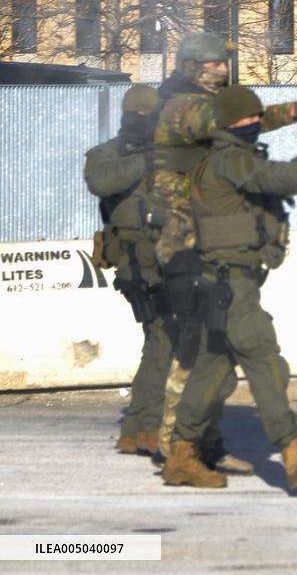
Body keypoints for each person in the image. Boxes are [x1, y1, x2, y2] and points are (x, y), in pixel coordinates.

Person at [160, 86, 297, 489]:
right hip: (230, 285)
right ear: (229, 123)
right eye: (246, 118)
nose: (255, 123)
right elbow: (269, 178)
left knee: (211, 370)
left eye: (258, 117)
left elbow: (266, 188)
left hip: (225, 281)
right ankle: (294, 453)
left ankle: (181, 456)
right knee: (265, 362)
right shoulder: (229, 159)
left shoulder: (231, 159)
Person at [147, 32, 297, 472]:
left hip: (208, 236)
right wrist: (294, 112)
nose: (224, 69)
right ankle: (176, 445)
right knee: (197, 344)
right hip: (185, 240)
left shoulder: (209, 105)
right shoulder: (182, 106)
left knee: (216, 345)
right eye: (214, 64)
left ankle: (202, 444)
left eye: (224, 63)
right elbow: (233, 120)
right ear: (191, 68)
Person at [84, 85, 169, 456]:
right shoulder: (104, 155)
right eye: (138, 114)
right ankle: (146, 428)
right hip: (138, 266)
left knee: (162, 344)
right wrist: (147, 159)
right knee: (163, 343)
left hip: (172, 261)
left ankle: (138, 430)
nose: (143, 120)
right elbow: (101, 183)